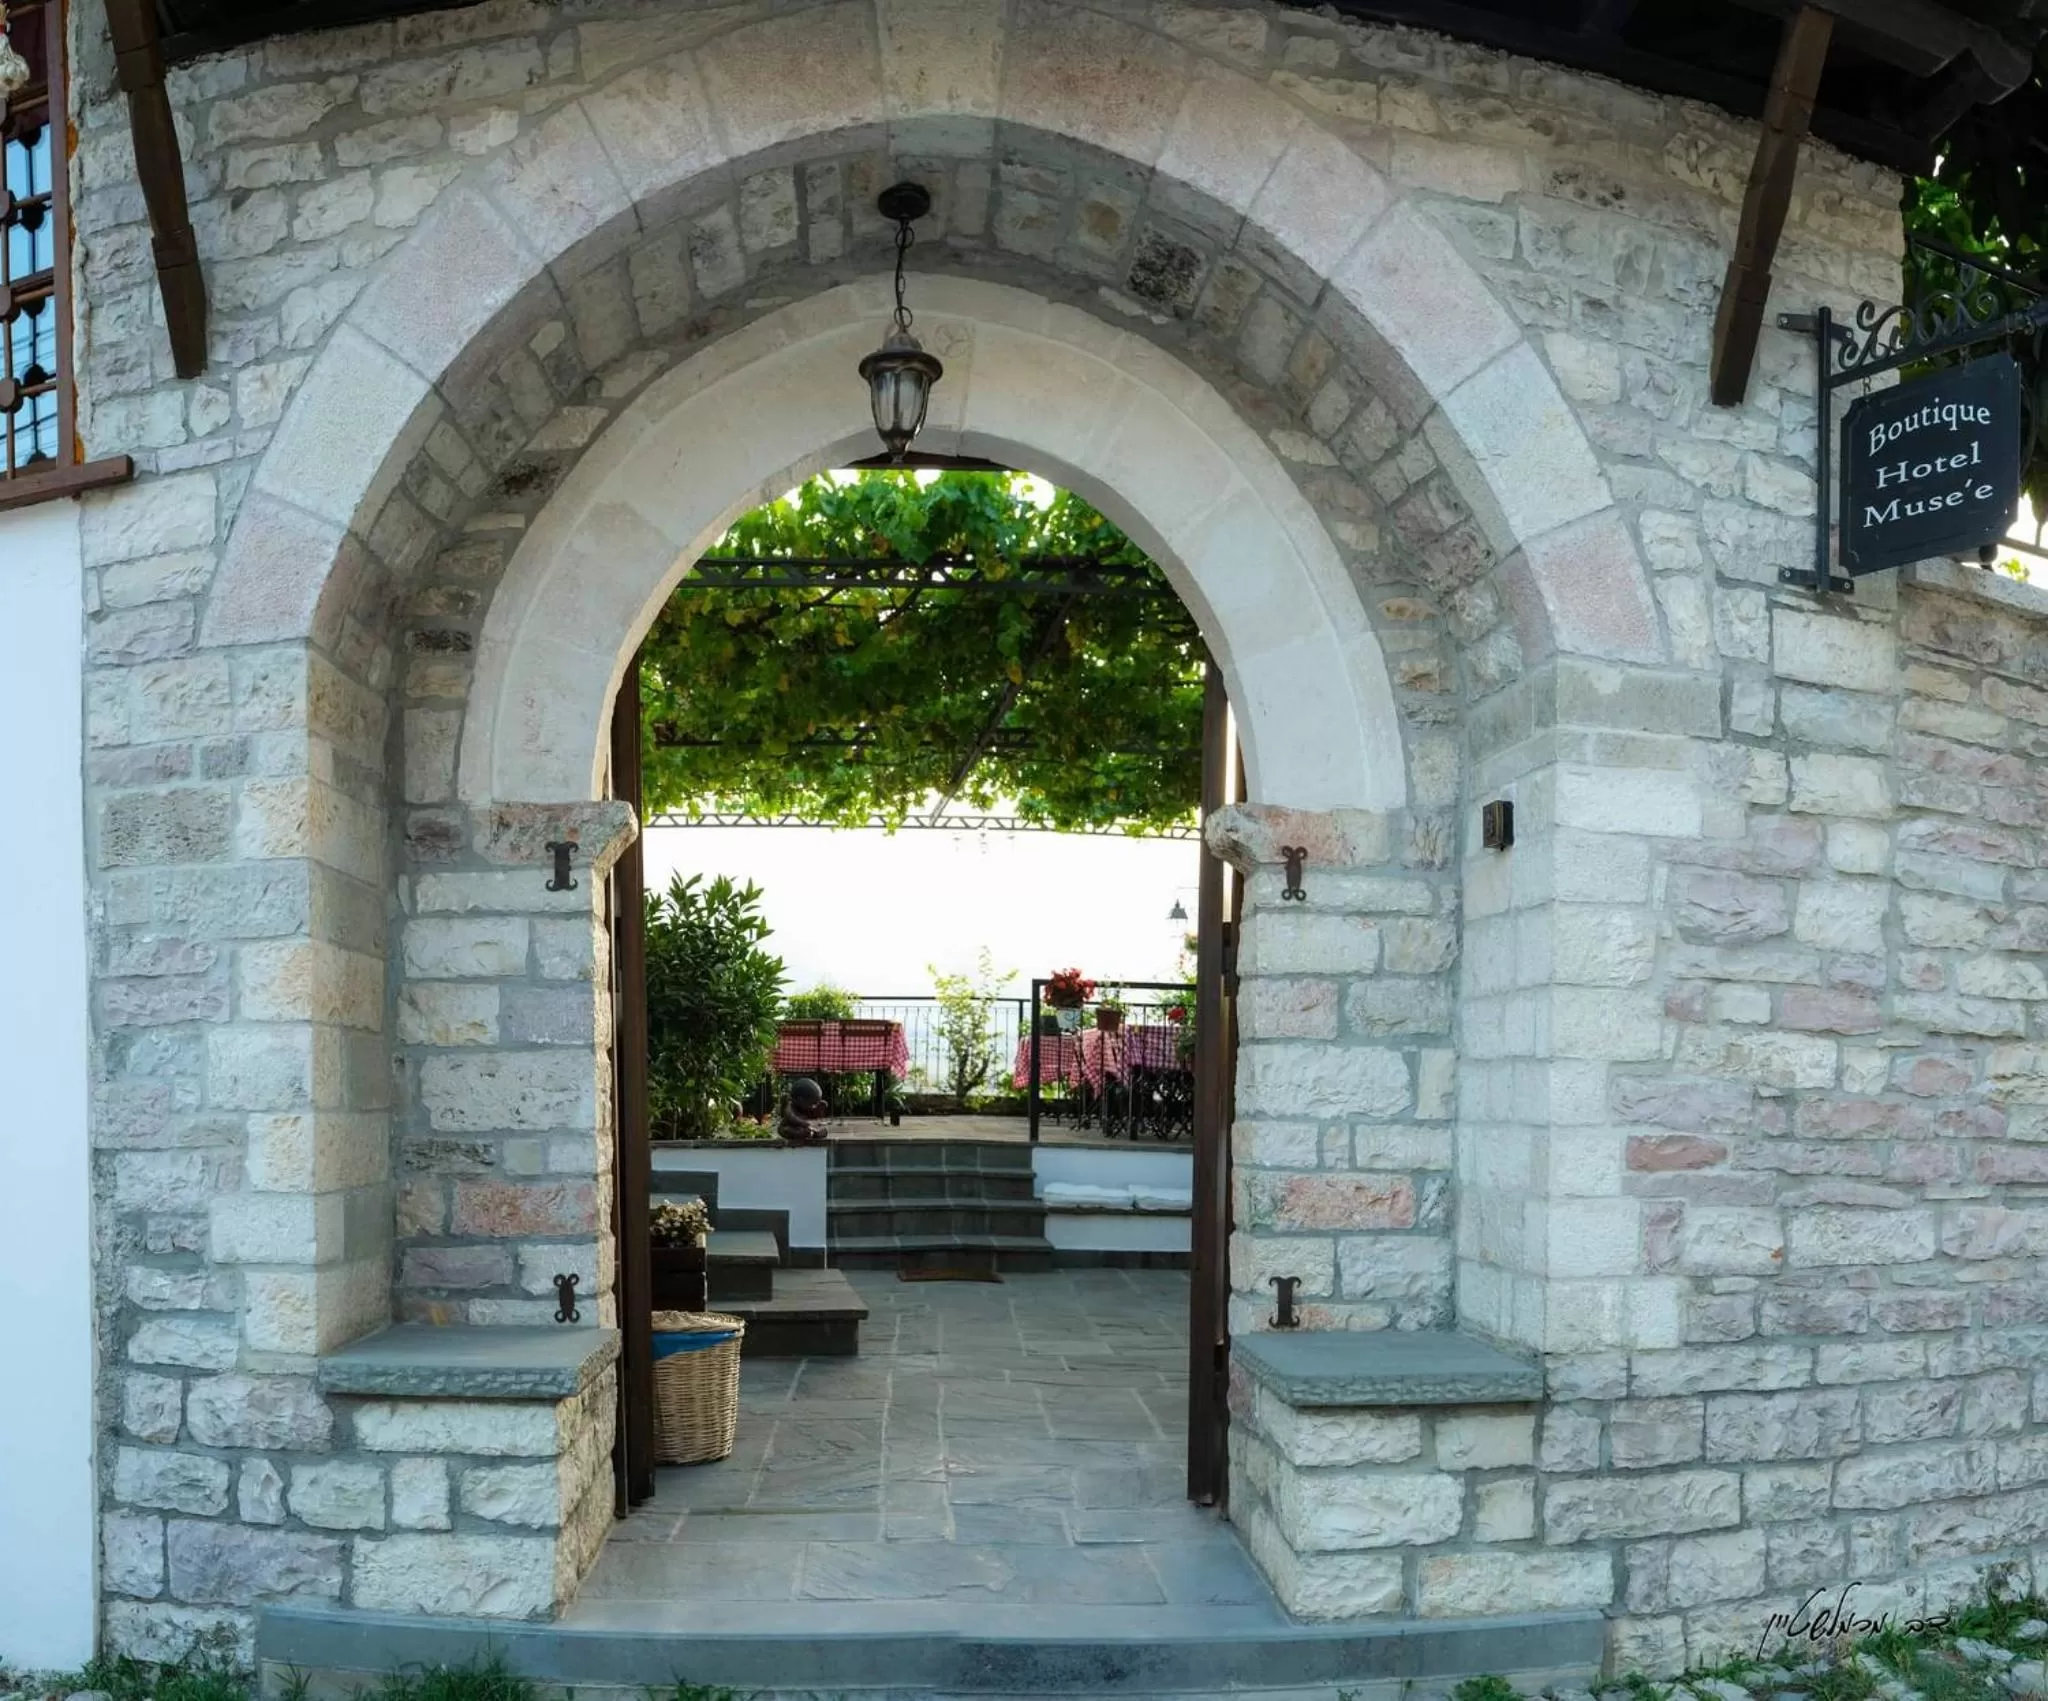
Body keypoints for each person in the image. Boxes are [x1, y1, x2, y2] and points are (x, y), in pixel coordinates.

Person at [778, 1077, 831, 1143]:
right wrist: (804, 1123)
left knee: (808, 1131)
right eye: (811, 1104)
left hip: (803, 1127)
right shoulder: (790, 1106)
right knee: (797, 1131)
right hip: (789, 1127)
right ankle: (811, 1134)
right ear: (800, 1099)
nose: (813, 1107)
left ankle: (814, 1134)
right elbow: (792, 1117)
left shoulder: (803, 1108)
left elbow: (815, 1114)